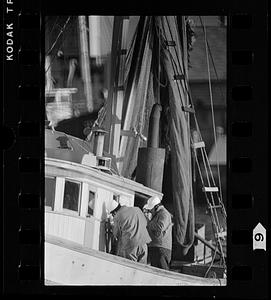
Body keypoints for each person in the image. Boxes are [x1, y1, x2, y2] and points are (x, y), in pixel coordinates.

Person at [144, 196, 173, 270]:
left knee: (162, 273)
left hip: (160, 248)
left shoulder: (164, 214)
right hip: (157, 247)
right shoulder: (159, 214)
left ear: (157, 206)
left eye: (151, 209)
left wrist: (148, 222)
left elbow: (160, 227)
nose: (150, 211)